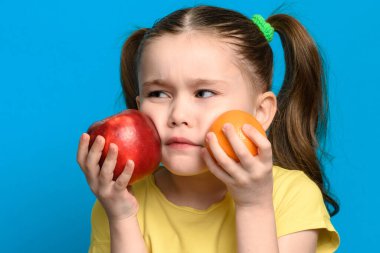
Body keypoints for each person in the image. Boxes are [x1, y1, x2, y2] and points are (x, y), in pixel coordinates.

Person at [77, 5, 340, 253]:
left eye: (203, 93)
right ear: (138, 106)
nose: (178, 115)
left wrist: (253, 205)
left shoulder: (292, 197)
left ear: (261, 112)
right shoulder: (119, 202)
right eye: (158, 93)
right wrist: (122, 216)